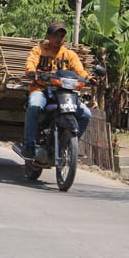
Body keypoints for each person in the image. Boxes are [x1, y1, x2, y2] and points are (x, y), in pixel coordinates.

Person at [23, 21, 92, 159]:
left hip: (63, 92)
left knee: (86, 114)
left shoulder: (69, 54)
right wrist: (31, 71)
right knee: (35, 106)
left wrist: (89, 78)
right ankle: (29, 146)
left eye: (61, 36)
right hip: (41, 89)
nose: (59, 38)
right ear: (48, 36)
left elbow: (80, 70)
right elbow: (30, 62)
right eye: (55, 35)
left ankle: (70, 146)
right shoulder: (39, 50)